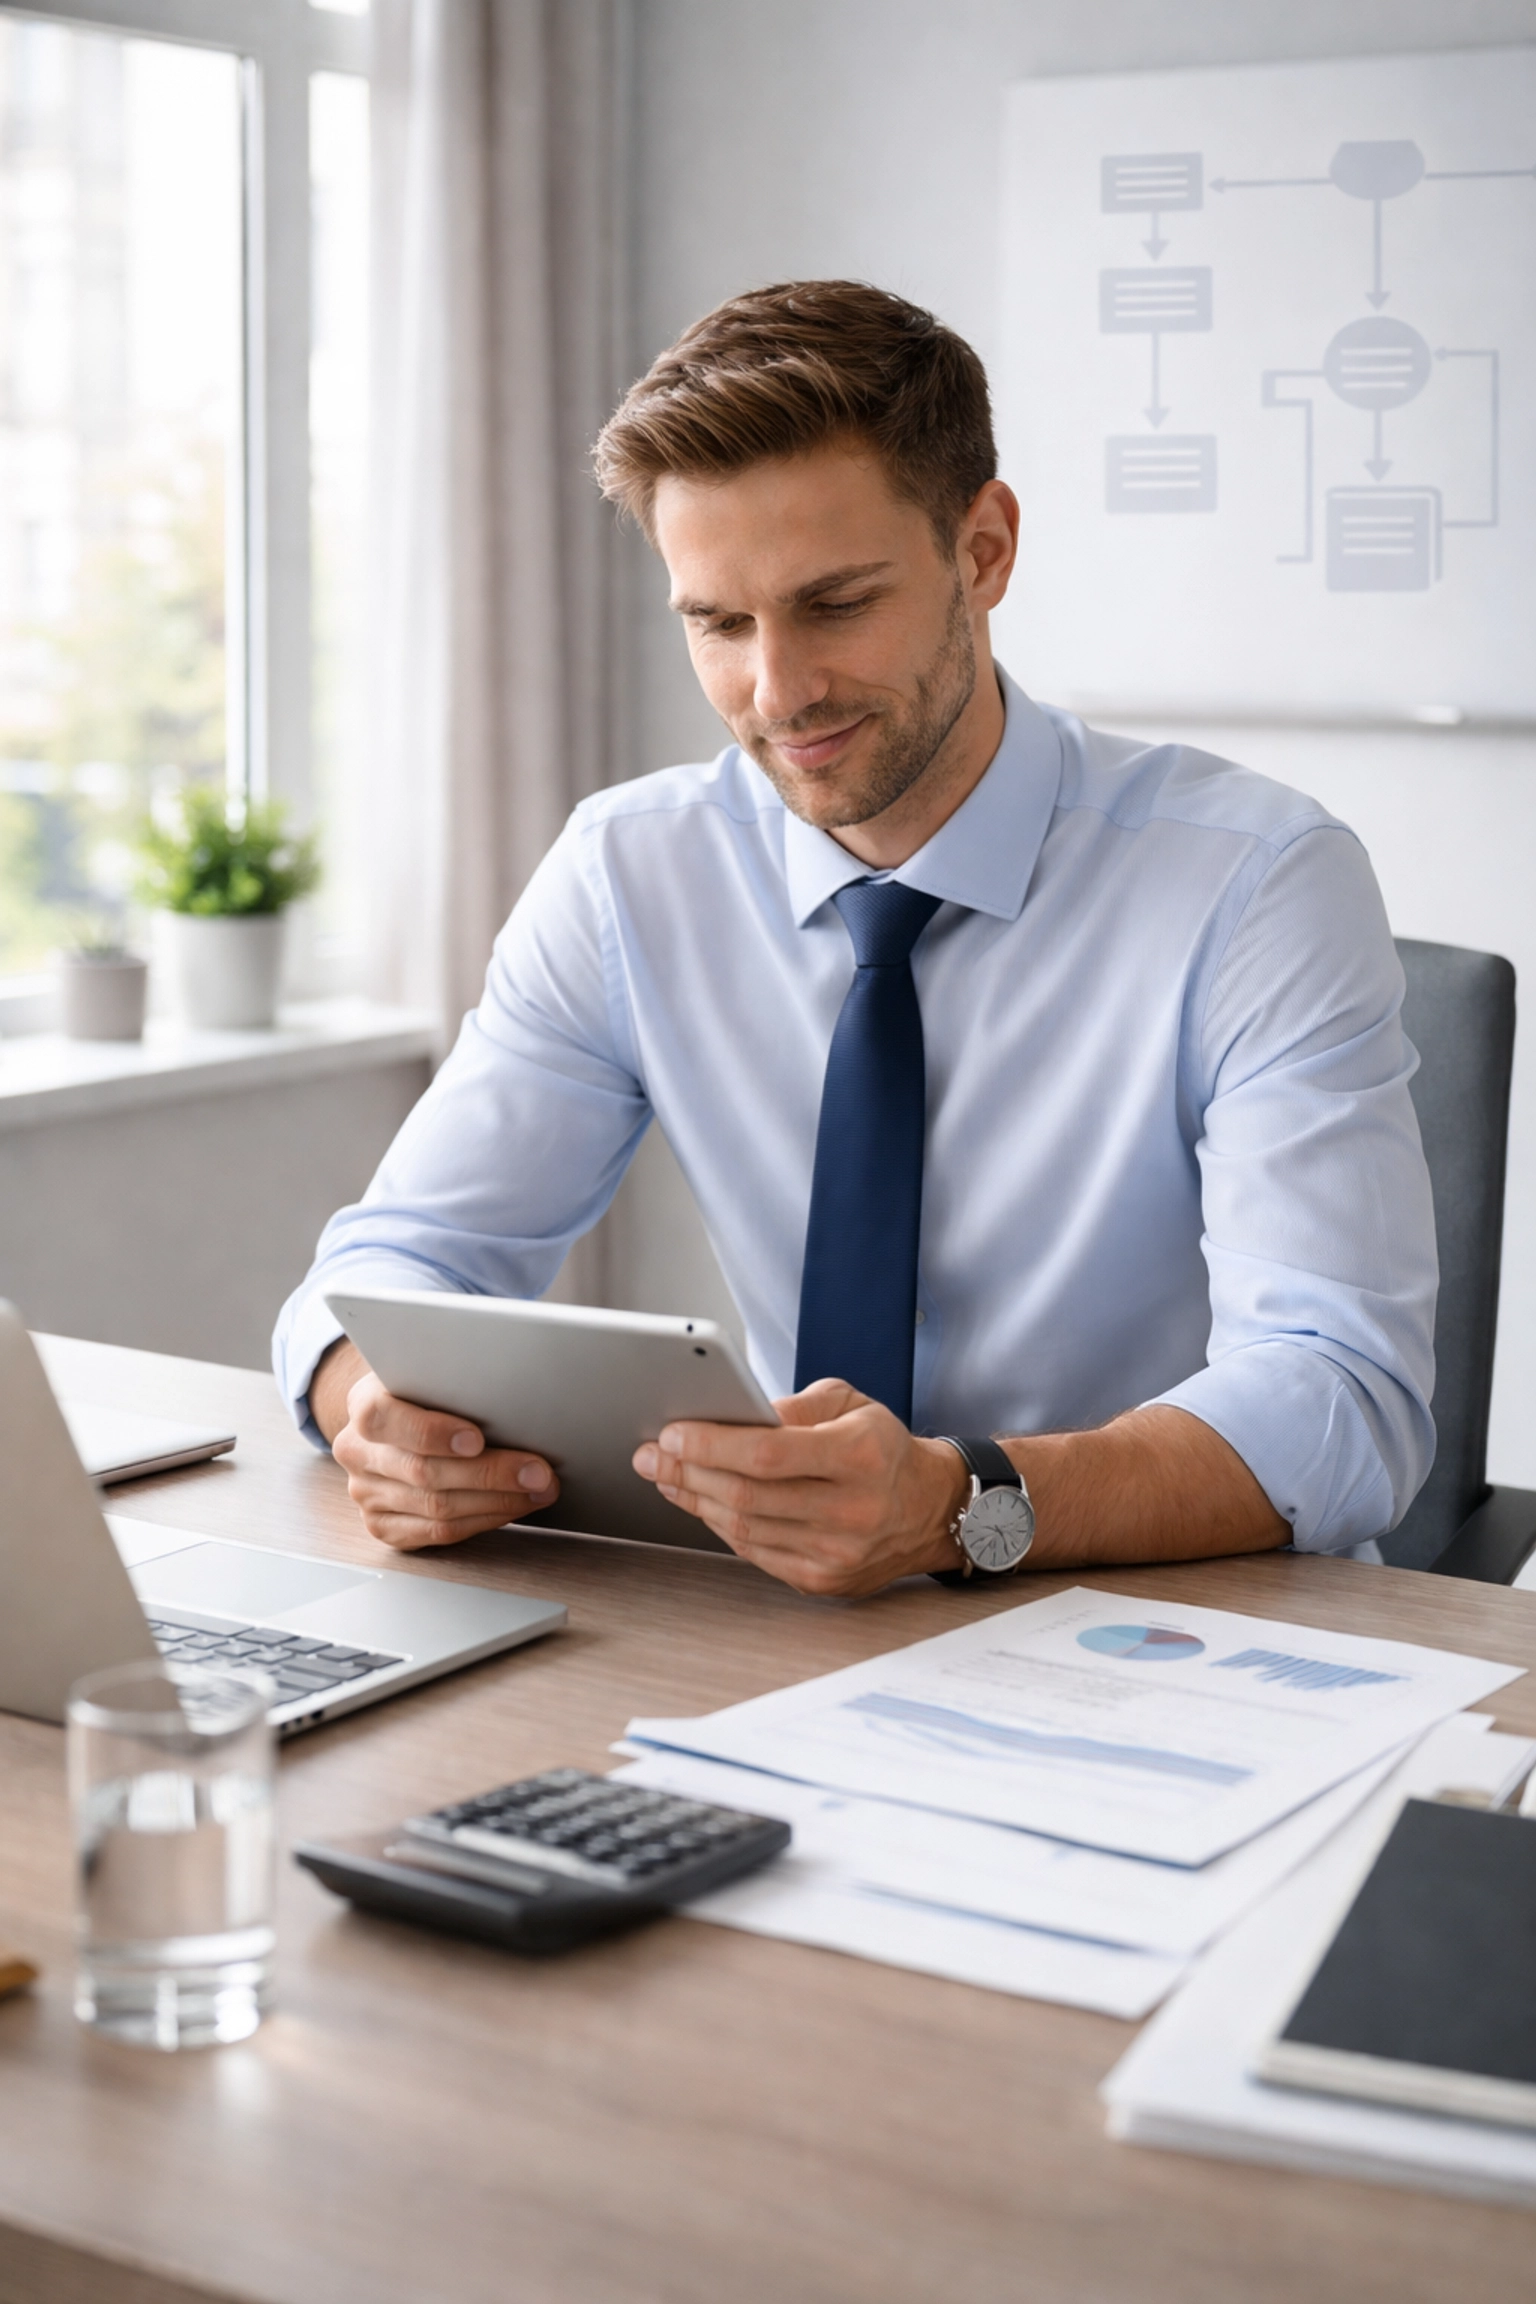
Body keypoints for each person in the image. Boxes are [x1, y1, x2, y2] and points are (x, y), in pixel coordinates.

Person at [274, 279, 1436, 1598]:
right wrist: (374, 1407)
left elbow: (1346, 1401)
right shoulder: (627, 871)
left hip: (1176, 1620)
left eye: (834, 604)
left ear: (984, 550)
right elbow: (382, 1268)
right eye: (718, 623)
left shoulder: (1260, 884)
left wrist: (965, 1506)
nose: (776, 694)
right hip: (800, 1620)